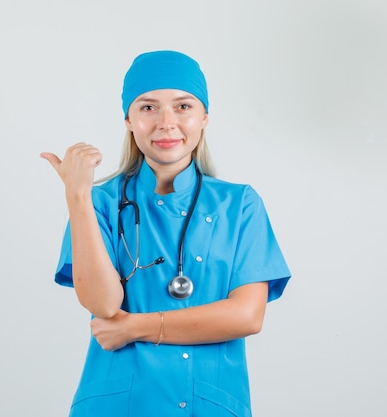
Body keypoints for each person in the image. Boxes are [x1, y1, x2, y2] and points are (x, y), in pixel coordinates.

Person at [40, 50, 291, 417]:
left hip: (210, 404)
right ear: (128, 119)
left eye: (183, 107)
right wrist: (77, 195)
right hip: (121, 405)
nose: (166, 123)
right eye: (148, 107)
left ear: (204, 117)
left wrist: (133, 327)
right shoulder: (101, 203)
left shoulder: (239, 205)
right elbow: (102, 304)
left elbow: (246, 317)